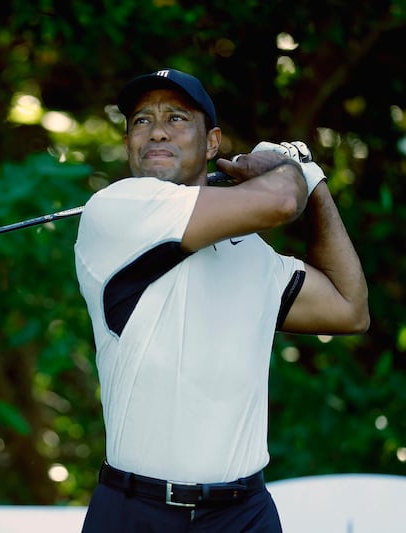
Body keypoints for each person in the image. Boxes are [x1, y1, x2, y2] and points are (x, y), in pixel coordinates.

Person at [74, 68, 369, 532]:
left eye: (176, 118)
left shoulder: (251, 252)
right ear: (128, 140)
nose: (156, 131)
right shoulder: (116, 210)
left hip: (242, 515)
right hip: (136, 512)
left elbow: (348, 308)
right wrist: (290, 166)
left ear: (212, 144)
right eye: (141, 121)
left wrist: (314, 183)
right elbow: (277, 202)